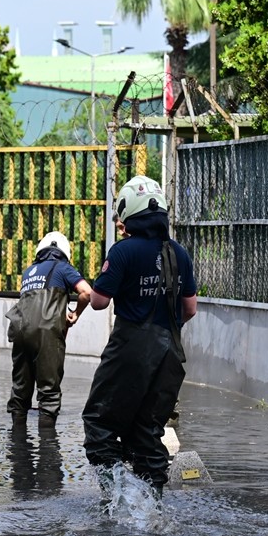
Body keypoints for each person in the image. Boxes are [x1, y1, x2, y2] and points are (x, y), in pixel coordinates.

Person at [82, 175, 197, 501]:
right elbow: (189, 309)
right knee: (148, 431)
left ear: (127, 213)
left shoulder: (122, 252)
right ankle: (151, 505)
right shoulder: (179, 253)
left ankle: (117, 498)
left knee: (100, 424)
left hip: (130, 350)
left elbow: (99, 301)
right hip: (170, 355)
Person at [6, 231, 93, 432]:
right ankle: (48, 451)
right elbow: (87, 292)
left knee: (20, 389)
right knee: (48, 393)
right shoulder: (62, 268)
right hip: (46, 334)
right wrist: (75, 313)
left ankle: (18, 445)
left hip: (19, 331)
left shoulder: (29, 271)